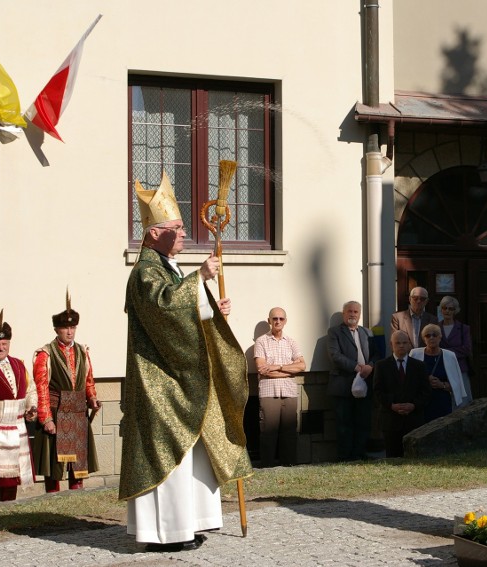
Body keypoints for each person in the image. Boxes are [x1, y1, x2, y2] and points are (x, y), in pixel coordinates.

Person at [121, 171, 252, 551]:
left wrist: (212, 308)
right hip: (158, 384)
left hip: (178, 381)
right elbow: (164, 308)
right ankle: (163, 534)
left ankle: (189, 524)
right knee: (169, 460)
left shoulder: (168, 266)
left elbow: (184, 307)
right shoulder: (146, 272)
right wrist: (201, 280)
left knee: (191, 457)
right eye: (176, 228)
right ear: (153, 232)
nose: (183, 233)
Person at [32, 295, 100, 493]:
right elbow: (41, 387)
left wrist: (92, 398)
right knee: (54, 464)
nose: (69, 332)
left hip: (78, 412)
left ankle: (76, 496)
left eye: (73, 328)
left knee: (78, 464)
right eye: (65, 328)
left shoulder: (82, 351)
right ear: (56, 329)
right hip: (56, 411)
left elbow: (89, 380)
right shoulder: (45, 354)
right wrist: (46, 419)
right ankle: (53, 500)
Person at [0, 314, 37, 503]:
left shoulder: (18, 364)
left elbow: (30, 389)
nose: (1, 348)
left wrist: (32, 407)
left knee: (11, 475)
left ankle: (9, 506)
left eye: (5, 344)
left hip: (16, 426)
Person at [254, 307, 305, 467]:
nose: (278, 321)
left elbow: (302, 365)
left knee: (290, 433)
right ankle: (268, 467)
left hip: (289, 392)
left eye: (281, 319)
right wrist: (289, 370)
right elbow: (262, 369)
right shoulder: (261, 341)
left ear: (285, 321)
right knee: (269, 433)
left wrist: (277, 367)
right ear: (269, 321)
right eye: (274, 318)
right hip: (269, 392)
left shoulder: (291, 342)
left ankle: (289, 466)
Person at [327, 301, 375, 461]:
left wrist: (370, 366)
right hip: (343, 384)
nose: (353, 314)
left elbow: (376, 354)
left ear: (360, 315)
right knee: (344, 424)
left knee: (363, 422)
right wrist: (356, 367)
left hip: (365, 383)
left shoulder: (367, 333)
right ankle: (345, 457)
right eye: (349, 311)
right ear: (343, 314)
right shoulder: (334, 332)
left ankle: (359, 455)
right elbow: (335, 356)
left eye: (356, 312)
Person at [373, 331, 431, 457]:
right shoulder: (381, 366)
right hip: (390, 420)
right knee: (393, 457)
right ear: (391, 344)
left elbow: (425, 391)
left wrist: (413, 405)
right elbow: (377, 391)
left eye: (404, 343)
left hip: (413, 420)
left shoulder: (419, 366)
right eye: (398, 343)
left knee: (414, 457)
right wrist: (392, 405)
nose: (401, 346)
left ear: (409, 344)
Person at [410, 323, 466, 422]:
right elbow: (409, 379)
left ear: (440, 337)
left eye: (435, 335)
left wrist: (442, 385)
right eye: (428, 335)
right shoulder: (414, 354)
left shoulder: (450, 356)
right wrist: (425, 380)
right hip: (421, 401)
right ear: (424, 339)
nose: (431, 338)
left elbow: (456, 386)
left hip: (442, 401)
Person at [437, 296, 473, 406]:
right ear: (441, 309)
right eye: (444, 308)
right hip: (441, 369)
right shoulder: (435, 328)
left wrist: (445, 352)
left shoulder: (463, 328)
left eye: (451, 309)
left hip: (459, 369)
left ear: (455, 311)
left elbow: (466, 349)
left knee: (462, 402)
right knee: (443, 402)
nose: (447, 311)